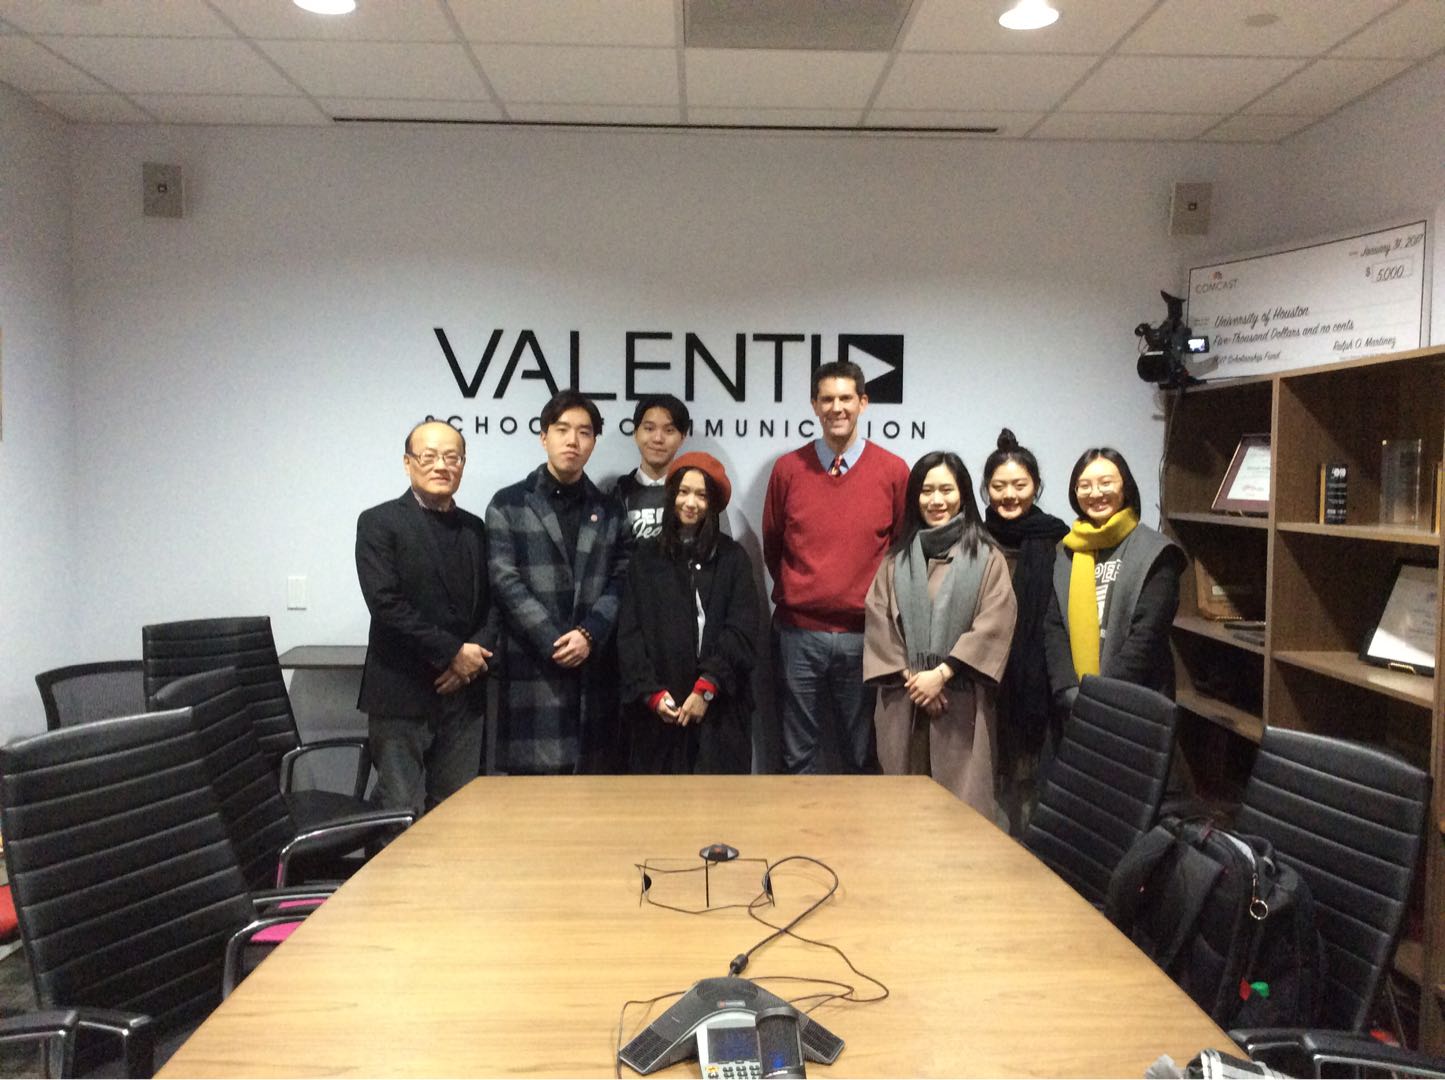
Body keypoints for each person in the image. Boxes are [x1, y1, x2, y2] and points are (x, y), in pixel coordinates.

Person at [763, 360, 910, 774]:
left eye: (846, 398)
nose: (837, 407)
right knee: (797, 754)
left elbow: (899, 548)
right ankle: (800, 837)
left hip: (865, 636)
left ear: (863, 403)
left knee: (864, 753)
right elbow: (774, 543)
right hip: (798, 633)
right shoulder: (789, 470)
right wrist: (804, 592)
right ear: (814, 405)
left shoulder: (893, 470)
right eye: (827, 399)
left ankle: (861, 839)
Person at [863, 451, 1017, 815]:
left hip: (961, 704)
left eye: (946, 489)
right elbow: (879, 621)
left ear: (962, 493)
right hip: (905, 702)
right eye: (926, 490)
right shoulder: (895, 561)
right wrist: (917, 682)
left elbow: (994, 624)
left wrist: (941, 675)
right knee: (900, 811)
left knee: (959, 813)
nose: (936, 500)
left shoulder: (988, 558)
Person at [485, 390, 629, 774]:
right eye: (562, 429)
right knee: (532, 804)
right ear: (543, 435)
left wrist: (588, 634)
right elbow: (504, 580)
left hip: (592, 665)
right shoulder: (509, 503)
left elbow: (622, 578)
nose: (573, 440)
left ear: (594, 442)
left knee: (592, 797)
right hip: (533, 667)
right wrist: (555, 640)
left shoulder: (610, 510)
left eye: (584, 432)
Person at [355, 419, 494, 815]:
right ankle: (387, 879)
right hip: (402, 690)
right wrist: (453, 653)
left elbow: (491, 605)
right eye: (429, 456)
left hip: (463, 695)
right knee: (396, 808)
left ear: (463, 465)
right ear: (407, 463)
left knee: (455, 810)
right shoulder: (379, 522)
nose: (441, 465)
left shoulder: (475, 528)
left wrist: (470, 663)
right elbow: (385, 603)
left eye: (452, 457)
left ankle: (449, 880)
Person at [617, 452, 758, 774]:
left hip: (720, 711)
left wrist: (707, 688)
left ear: (714, 503)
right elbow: (630, 634)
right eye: (683, 491)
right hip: (657, 714)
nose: (690, 502)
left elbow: (742, 631)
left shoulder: (733, 559)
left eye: (701, 494)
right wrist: (651, 694)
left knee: (718, 813)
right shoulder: (646, 558)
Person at [1043, 447, 1186, 713]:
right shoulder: (1065, 551)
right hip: (1073, 704)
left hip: (1136, 700)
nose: (1095, 493)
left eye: (1106, 483)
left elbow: (1147, 636)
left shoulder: (1156, 551)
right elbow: (1054, 626)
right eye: (1084, 485)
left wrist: (1100, 695)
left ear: (1126, 487)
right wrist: (1067, 689)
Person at [980, 428, 1069, 835]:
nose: (1009, 495)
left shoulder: (1057, 539)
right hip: (981, 679)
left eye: (1020, 484)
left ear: (1036, 487)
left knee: (1029, 783)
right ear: (985, 490)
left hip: (1035, 682)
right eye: (999, 486)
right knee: (983, 776)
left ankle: (1031, 862)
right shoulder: (973, 541)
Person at [614, 394, 690, 543]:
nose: (658, 439)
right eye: (649, 428)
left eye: (669, 430)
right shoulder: (616, 493)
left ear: (682, 437)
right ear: (635, 433)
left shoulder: (698, 492)